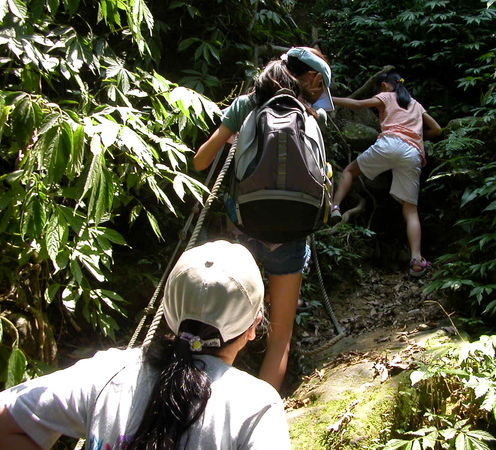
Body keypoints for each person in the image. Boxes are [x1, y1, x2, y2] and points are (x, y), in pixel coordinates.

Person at [0, 240, 291, 450]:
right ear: (254, 326)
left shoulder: (108, 374)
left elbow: (6, 419)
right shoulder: (255, 406)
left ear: (168, 314)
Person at [193, 47, 333, 391]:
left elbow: (200, 162)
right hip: (291, 233)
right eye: (320, 87)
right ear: (312, 79)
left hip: (245, 228)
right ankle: (262, 417)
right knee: (280, 337)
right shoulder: (313, 114)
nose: (320, 94)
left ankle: (208, 407)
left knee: (222, 330)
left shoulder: (247, 104)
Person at [330, 72, 442, 277]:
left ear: (384, 85)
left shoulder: (387, 96)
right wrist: (416, 135)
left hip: (390, 144)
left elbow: (357, 105)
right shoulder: (416, 104)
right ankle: (416, 260)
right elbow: (437, 128)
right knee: (410, 210)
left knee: (349, 170)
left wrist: (327, 98)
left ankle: (335, 207)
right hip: (412, 153)